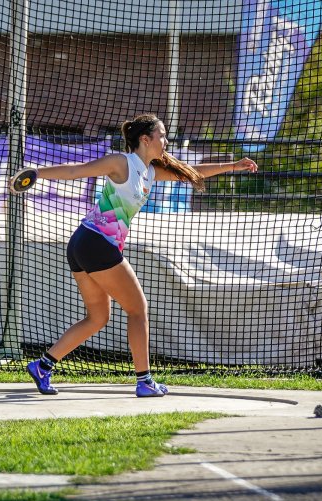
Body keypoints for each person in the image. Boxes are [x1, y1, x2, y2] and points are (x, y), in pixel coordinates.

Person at [22, 113, 258, 397]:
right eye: (162, 135)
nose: (166, 140)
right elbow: (76, 171)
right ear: (145, 140)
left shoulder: (150, 171)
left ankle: (43, 366)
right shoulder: (122, 163)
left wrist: (233, 165)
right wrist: (36, 173)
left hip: (85, 244)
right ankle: (145, 381)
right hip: (95, 243)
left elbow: (192, 172)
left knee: (98, 318)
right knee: (138, 309)